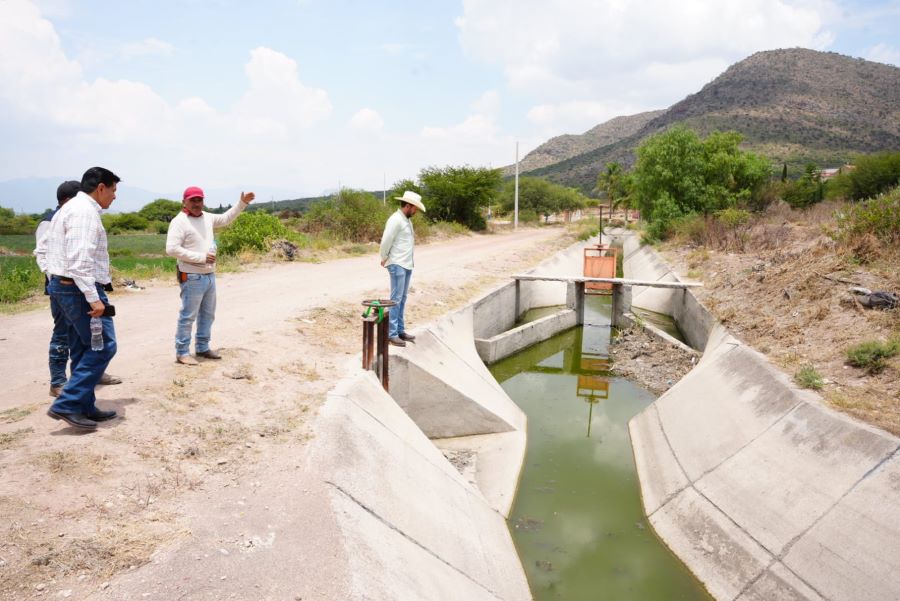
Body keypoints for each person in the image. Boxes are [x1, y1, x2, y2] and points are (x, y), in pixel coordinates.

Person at [44, 167, 121, 430]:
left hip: (65, 286)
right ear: (101, 187)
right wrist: (94, 298)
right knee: (104, 346)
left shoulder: (73, 208)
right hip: (77, 288)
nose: (114, 196)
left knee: (81, 348)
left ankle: (84, 406)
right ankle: (67, 403)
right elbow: (79, 262)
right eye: (113, 190)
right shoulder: (84, 212)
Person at [166, 186, 255, 365]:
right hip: (191, 275)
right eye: (193, 200)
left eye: (199, 200)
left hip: (209, 275)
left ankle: (202, 347)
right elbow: (171, 249)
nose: (197, 204)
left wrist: (242, 203)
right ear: (184, 201)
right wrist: (201, 257)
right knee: (188, 315)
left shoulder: (207, 217)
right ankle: (182, 352)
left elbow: (225, 218)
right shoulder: (179, 221)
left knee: (207, 314)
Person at [379, 190, 426, 347]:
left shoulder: (406, 220)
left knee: (402, 299)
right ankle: (392, 334)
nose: (416, 211)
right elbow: (386, 239)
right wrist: (384, 256)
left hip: (406, 264)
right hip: (397, 263)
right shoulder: (395, 220)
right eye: (415, 208)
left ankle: (400, 331)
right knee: (395, 300)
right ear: (408, 206)